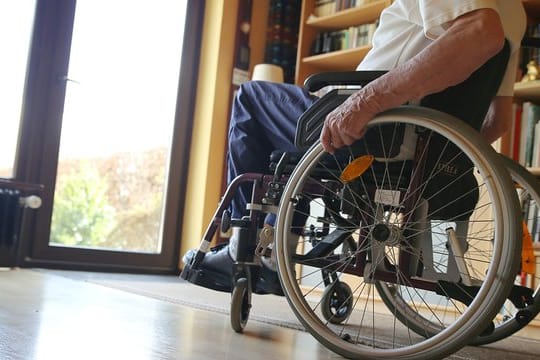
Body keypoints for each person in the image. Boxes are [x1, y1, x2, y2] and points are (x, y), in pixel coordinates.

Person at [183, 0, 526, 293]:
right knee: (292, 147)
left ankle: (244, 250)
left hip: (370, 129)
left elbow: (481, 32)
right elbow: (497, 122)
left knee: (252, 97)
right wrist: (441, 156)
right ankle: (273, 253)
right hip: (409, 144)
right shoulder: (515, 12)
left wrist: (366, 102)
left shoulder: (486, 15)